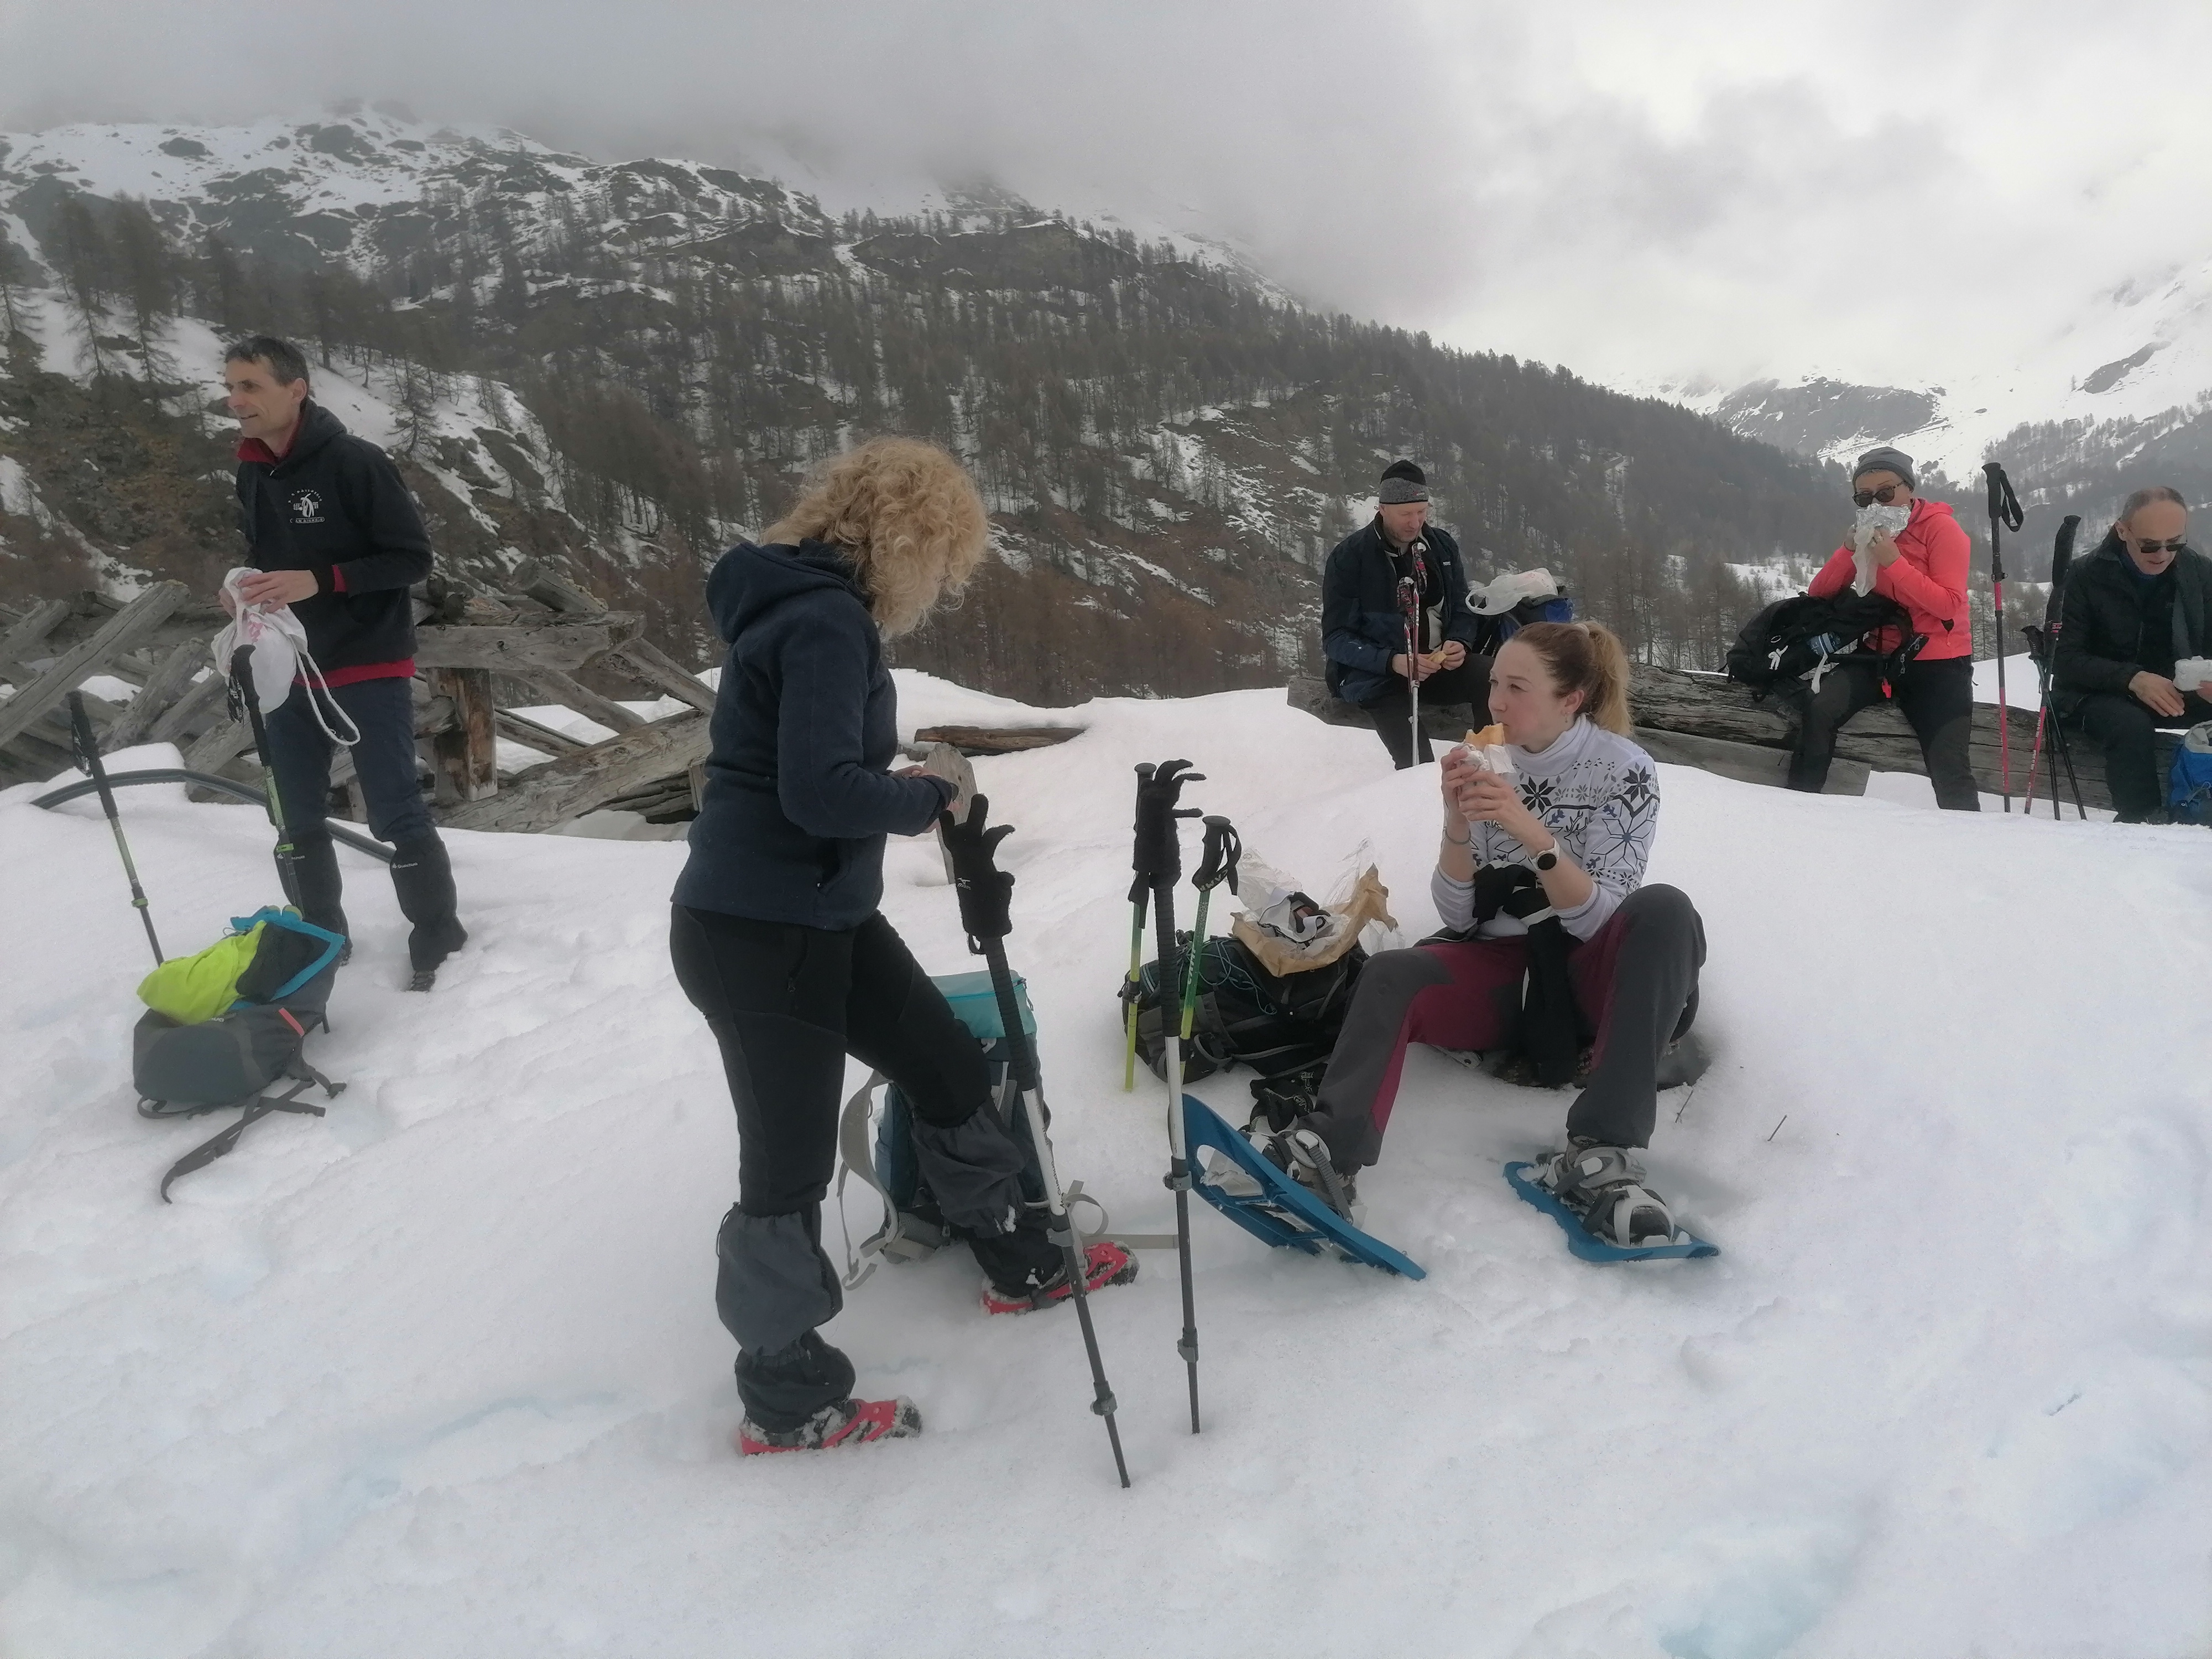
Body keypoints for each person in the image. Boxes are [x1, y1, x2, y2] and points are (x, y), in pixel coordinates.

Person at [670, 437, 1135, 1457]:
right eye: (947, 559)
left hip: (820, 915)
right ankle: (785, 1399)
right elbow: (818, 793)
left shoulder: (800, 605)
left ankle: (1013, 1254)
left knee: (943, 1063)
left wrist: (901, 776)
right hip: (760, 933)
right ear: (920, 542)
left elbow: (810, 766)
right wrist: (926, 794)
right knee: (787, 1165)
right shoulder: (825, 621)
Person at [1278, 622, 1706, 1246]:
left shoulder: (1624, 770)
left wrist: (1530, 832)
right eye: (1494, 684)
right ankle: (1327, 1159)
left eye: (1516, 688)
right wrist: (1456, 820)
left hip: (1590, 971)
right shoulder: (1485, 762)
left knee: (1666, 909)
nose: (1496, 703)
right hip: (1505, 970)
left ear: (1570, 699)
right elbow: (1459, 916)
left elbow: (1598, 919)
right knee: (1392, 972)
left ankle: (1599, 1153)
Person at [223, 335, 467, 988]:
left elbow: (411, 559)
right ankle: (322, 939)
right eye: (232, 387)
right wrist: (244, 586)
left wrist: (321, 580)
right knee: (293, 811)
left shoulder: (356, 462)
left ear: (295, 390)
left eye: (250, 386)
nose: (235, 400)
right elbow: (266, 556)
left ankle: (438, 936)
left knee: (393, 806)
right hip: (289, 662)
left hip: (366, 658)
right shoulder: (252, 471)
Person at [1787, 445, 1979, 809]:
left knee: (1949, 765)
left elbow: (1948, 605)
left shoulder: (1941, 528)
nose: (1877, 503)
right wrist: (1848, 549)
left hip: (1938, 660)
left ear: (1909, 489)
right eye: (1865, 497)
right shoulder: (1870, 531)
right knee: (1819, 709)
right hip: (1878, 655)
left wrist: (1894, 562)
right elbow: (1820, 594)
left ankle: (1970, 839)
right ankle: (1800, 809)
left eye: (1886, 493)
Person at [2052, 487, 2212, 822]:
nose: (2163, 554)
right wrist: (2132, 679)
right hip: (2095, 694)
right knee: (2130, 725)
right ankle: (2142, 822)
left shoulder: (2200, 572)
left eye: (2175, 543)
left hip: (2171, 690)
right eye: (2150, 545)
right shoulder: (2085, 575)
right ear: (2122, 530)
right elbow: (2064, 658)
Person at [1322, 458, 1489, 769]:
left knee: (1492, 676)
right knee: (1418, 762)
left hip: (1434, 666)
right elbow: (1335, 638)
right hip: (1378, 677)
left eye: (1422, 512)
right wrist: (1392, 661)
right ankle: (1418, 790)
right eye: (1405, 514)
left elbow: (1463, 605)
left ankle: (1489, 763)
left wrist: (1459, 641)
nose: (1415, 523)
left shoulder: (1441, 546)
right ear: (1382, 509)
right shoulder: (1350, 557)